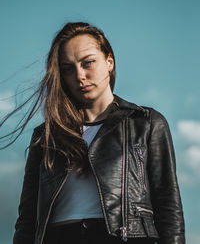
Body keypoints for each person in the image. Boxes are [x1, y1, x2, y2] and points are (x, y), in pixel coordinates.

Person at [10, 22, 185, 243]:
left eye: (88, 63)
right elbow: (27, 219)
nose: (80, 75)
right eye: (68, 69)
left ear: (109, 62)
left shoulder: (146, 123)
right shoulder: (45, 136)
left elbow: (168, 206)